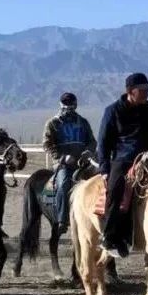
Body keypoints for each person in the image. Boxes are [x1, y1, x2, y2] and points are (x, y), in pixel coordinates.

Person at [97, 73, 148, 259]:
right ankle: (110, 236)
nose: (146, 94)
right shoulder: (112, 111)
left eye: (147, 90)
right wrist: (104, 169)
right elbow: (103, 143)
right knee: (116, 188)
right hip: (123, 159)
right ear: (130, 91)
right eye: (142, 90)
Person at [42, 92, 96, 233]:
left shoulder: (83, 122)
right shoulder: (53, 123)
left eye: (72, 106)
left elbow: (92, 141)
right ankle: (62, 220)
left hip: (83, 162)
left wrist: (89, 151)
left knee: (99, 181)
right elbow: (47, 144)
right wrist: (62, 157)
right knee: (64, 183)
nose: (70, 109)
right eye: (67, 106)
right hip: (63, 164)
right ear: (61, 105)